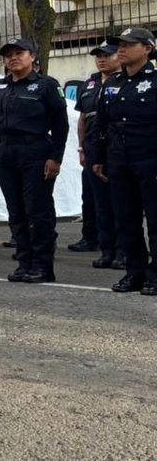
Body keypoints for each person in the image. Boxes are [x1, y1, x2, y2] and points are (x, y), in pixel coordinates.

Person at [0, 37, 70, 284]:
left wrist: (55, 158)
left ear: (33, 57)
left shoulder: (46, 85)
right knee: (16, 212)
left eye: (19, 53)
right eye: (8, 54)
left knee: (38, 210)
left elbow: (61, 125)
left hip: (35, 152)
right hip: (5, 154)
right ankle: (24, 262)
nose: (13, 58)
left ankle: (43, 266)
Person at [90, 28, 157, 295]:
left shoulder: (154, 81)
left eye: (129, 44)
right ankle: (135, 272)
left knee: (155, 220)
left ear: (148, 48)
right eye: (120, 44)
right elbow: (101, 124)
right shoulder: (112, 84)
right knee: (125, 219)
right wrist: (97, 157)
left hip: (150, 159)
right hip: (119, 160)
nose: (122, 48)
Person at [76, 42, 123, 269]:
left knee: (122, 203)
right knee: (99, 203)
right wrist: (82, 148)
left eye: (107, 55)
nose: (102, 59)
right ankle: (107, 249)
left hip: (119, 150)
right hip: (94, 150)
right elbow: (83, 118)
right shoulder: (90, 84)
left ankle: (124, 251)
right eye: (98, 56)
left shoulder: (127, 81)